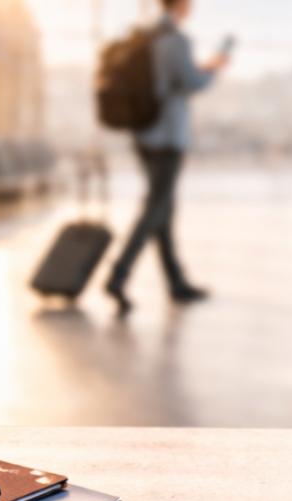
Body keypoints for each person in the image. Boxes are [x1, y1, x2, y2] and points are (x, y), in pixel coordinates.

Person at [105, 0, 229, 315]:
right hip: (168, 137)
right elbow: (193, 82)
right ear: (182, 4)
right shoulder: (175, 40)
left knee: (163, 209)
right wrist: (214, 68)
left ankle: (176, 283)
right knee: (156, 208)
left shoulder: (144, 36)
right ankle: (118, 274)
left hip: (142, 135)